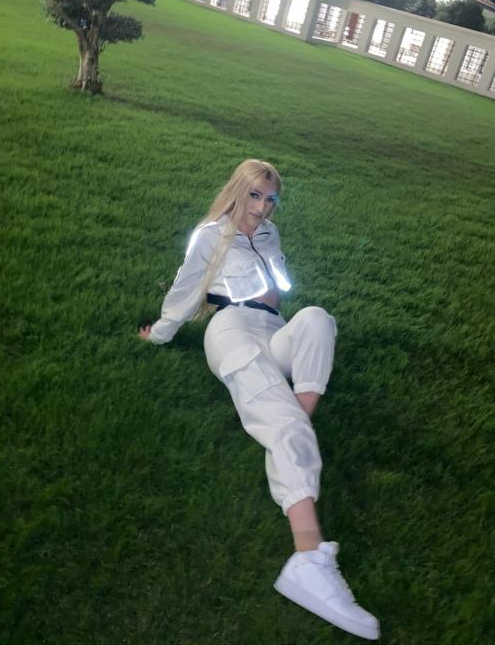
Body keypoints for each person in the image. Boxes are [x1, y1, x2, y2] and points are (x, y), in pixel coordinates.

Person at [139, 159, 379, 640]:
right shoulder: (210, 235)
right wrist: (160, 333)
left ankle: (290, 433)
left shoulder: (270, 234)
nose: (262, 207)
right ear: (237, 191)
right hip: (231, 329)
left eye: (270, 199)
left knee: (317, 319)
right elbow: (186, 290)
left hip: (274, 329)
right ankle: (307, 558)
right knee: (286, 425)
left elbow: (283, 293)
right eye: (254, 195)